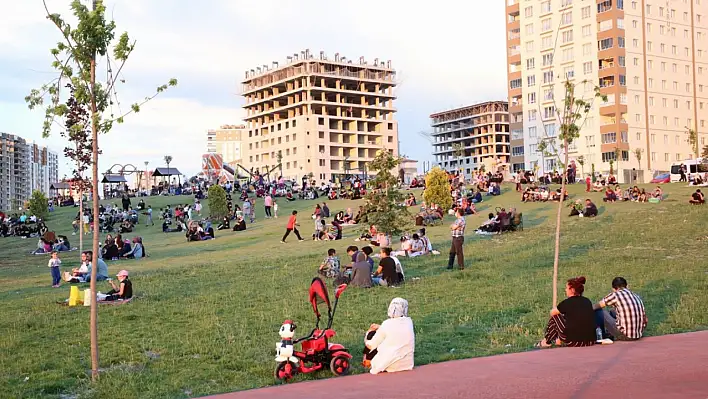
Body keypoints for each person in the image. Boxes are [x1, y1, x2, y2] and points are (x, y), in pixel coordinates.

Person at [537, 276, 596, 348]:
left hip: (573, 341)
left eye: (567, 288)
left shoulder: (567, 302)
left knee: (556, 317)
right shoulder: (587, 301)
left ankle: (547, 341)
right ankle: (556, 340)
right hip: (590, 341)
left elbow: (552, 313)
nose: (565, 290)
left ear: (572, 290)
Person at [362, 297, 415, 374]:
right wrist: (380, 327)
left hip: (390, 365)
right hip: (407, 364)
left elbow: (370, 345)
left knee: (371, 335)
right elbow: (397, 330)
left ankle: (366, 362)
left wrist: (368, 332)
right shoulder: (409, 322)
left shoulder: (386, 324)